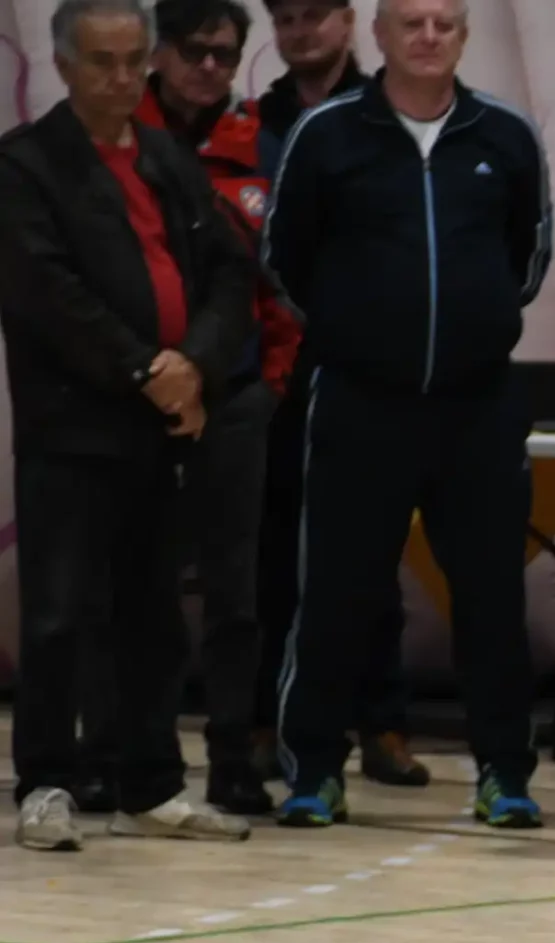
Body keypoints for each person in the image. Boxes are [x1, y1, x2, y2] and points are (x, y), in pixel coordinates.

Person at [262, 0, 552, 830]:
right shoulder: (328, 136)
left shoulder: (506, 136)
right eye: (412, 23)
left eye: (446, 24)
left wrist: (476, 322)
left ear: (464, 36)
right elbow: (288, 255)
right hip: (360, 401)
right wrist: (362, 329)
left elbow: (527, 256)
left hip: (477, 407)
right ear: (378, 34)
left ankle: (504, 771)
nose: (429, 37)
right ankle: (315, 768)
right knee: (336, 593)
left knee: (493, 595)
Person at [1, 0, 255, 852]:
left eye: (130, 60)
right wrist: (148, 370)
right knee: (59, 613)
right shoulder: (26, 165)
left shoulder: (165, 158)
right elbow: (48, 293)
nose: (119, 77)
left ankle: (153, 784)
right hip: (72, 428)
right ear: (65, 65)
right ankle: (45, 781)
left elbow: (228, 271)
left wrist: (198, 366)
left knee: (154, 611)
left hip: (163, 427)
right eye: (101, 61)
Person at [254, 0, 423, 794]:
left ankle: (381, 718)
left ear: (350, 21)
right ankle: (268, 719)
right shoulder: (250, 124)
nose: (300, 31)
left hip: (370, 366)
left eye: (314, 14)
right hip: (275, 370)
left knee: (372, 553)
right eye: (284, 18)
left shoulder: (390, 111)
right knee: (275, 556)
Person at [135, 0, 296, 820]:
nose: (210, 69)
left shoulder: (254, 147)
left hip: (233, 401)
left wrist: (267, 382)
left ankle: (234, 757)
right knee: (142, 589)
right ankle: (143, 761)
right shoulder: (118, 142)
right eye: (195, 52)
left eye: (226, 56)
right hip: (138, 398)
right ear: (158, 53)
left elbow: (280, 284)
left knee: (236, 594)